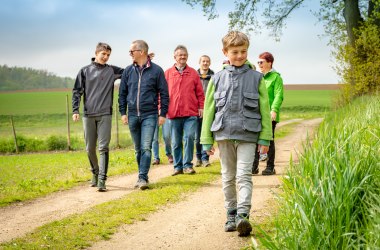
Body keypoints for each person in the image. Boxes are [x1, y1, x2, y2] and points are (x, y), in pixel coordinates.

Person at [201, 31, 272, 237]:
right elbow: (209, 111)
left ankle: (243, 215)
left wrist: (265, 138)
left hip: (249, 134)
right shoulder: (217, 78)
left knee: (244, 175)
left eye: (243, 51)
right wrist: (206, 140)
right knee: (228, 177)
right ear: (225, 52)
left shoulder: (257, 78)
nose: (240, 55)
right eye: (235, 52)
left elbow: (264, 111)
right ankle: (231, 214)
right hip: (223, 134)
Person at [72, 42, 124, 192]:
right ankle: (94, 172)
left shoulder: (112, 70)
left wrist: (144, 60)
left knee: (103, 147)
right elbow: (77, 91)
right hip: (88, 115)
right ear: (96, 53)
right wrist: (75, 110)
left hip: (105, 115)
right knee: (89, 148)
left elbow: (130, 70)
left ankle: (102, 179)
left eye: (108, 55)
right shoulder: (84, 71)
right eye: (103, 54)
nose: (106, 57)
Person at [118, 40, 169, 190]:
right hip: (132, 114)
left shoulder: (157, 71)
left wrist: (163, 113)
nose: (129, 54)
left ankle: (142, 177)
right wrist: (123, 112)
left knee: (146, 147)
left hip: (150, 115)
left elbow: (164, 94)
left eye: (131, 51)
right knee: (138, 148)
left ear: (141, 52)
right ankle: (142, 174)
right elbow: (122, 93)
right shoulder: (127, 71)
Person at [165, 45, 205, 176]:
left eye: (185, 54)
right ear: (174, 57)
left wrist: (201, 107)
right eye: (180, 55)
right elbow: (163, 93)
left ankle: (188, 165)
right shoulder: (168, 73)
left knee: (189, 138)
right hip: (173, 113)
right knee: (176, 142)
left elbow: (200, 92)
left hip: (190, 113)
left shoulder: (193, 73)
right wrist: (162, 109)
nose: (183, 57)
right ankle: (177, 167)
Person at [252, 52, 284, 175]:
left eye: (261, 62)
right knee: (254, 139)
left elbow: (278, 95)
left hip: (270, 114)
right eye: (258, 62)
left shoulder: (276, 77)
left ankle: (270, 167)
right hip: (256, 113)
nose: (259, 64)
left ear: (269, 63)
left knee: (268, 140)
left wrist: (274, 110)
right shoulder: (257, 77)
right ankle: (253, 166)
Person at [194, 55, 214, 168]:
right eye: (203, 61)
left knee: (207, 135)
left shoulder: (214, 76)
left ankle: (205, 158)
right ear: (199, 62)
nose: (205, 63)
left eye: (207, 61)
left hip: (209, 109)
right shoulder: (194, 76)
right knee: (197, 137)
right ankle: (198, 158)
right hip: (196, 110)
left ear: (209, 63)